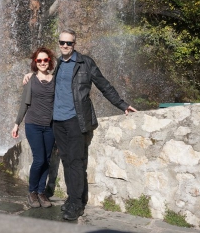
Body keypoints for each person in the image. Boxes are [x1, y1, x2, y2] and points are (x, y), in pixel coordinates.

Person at [23, 29, 137, 220]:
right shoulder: (57, 64)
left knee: (76, 162)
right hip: (57, 122)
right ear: (59, 43)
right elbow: (43, 75)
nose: (65, 46)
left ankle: (77, 203)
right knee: (67, 161)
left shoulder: (85, 63)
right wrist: (30, 74)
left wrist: (122, 104)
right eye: (62, 42)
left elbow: (104, 85)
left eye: (69, 43)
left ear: (74, 44)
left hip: (76, 120)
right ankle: (72, 198)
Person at [12, 47, 56, 208]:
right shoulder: (30, 80)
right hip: (33, 125)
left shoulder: (55, 79)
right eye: (39, 60)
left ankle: (41, 193)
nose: (43, 63)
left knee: (47, 159)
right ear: (35, 63)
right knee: (39, 159)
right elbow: (24, 104)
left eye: (45, 60)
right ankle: (32, 192)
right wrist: (16, 124)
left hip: (50, 126)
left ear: (49, 61)